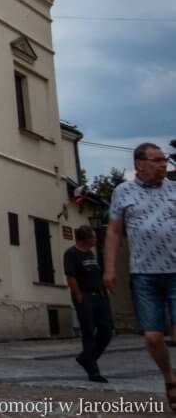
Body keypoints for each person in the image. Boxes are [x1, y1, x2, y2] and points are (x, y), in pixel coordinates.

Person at [103, 142, 176, 412]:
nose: (163, 165)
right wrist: (110, 268)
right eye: (156, 160)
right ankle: (169, 376)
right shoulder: (123, 192)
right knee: (153, 338)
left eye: (164, 160)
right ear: (139, 164)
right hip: (144, 273)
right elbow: (113, 232)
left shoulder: (174, 190)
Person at [64, 224, 111, 383]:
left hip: (99, 295)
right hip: (85, 296)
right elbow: (70, 276)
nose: (96, 240)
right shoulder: (71, 253)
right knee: (88, 332)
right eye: (94, 237)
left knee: (106, 330)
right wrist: (79, 296)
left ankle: (86, 358)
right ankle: (93, 371)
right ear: (86, 239)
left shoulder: (91, 253)